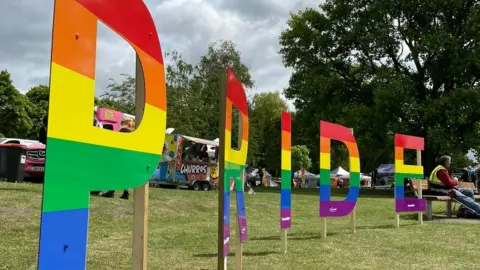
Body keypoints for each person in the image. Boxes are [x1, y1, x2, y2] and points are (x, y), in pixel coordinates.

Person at [101, 119, 135, 200]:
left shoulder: (123, 130)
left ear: (125, 123)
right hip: (129, 156)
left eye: (122, 123)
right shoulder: (132, 132)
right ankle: (126, 193)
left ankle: (111, 191)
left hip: (121, 155)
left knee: (113, 172)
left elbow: (118, 142)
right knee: (125, 175)